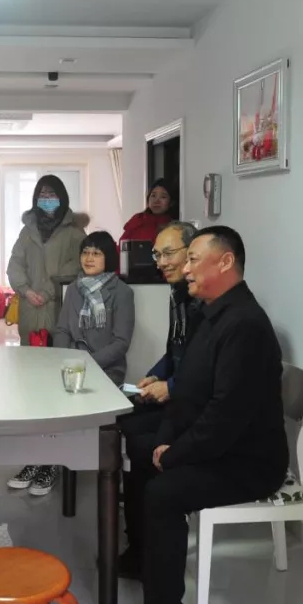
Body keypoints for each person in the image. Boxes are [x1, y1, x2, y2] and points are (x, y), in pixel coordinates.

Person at [129, 226, 289, 604]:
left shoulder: (245, 325)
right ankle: (143, 561)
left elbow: (224, 416)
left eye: (193, 260)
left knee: (163, 494)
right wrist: (166, 440)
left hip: (248, 461)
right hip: (219, 444)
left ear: (226, 261)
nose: (185, 269)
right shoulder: (210, 315)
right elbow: (188, 393)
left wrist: (175, 453)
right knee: (141, 450)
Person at [118, 220, 200, 576]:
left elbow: (205, 370)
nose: (162, 262)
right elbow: (175, 351)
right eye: (156, 255)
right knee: (125, 420)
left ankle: (146, 547)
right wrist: (155, 375)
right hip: (180, 396)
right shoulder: (177, 294)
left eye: (169, 253)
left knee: (141, 445)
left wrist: (172, 387)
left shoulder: (205, 302)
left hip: (193, 407)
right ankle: (136, 536)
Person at [6, 175, 88, 495]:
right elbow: (15, 266)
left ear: (62, 197)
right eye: (42, 193)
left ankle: (53, 462)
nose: (47, 198)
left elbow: (79, 267)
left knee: (57, 389)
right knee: (32, 391)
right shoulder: (27, 231)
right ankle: (34, 458)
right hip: (31, 315)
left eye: (52, 193)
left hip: (60, 313)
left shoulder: (75, 233)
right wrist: (26, 291)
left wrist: (50, 287)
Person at [52, 231, 135, 386]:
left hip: (107, 368)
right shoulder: (73, 289)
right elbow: (62, 330)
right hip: (71, 365)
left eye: (96, 253)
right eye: (85, 253)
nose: (89, 258)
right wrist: (65, 359)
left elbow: (121, 342)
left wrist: (87, 362)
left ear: (108, 257)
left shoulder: (122, 292)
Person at [119, 179, 178, 245]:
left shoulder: (175, 227)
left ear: (171, 202)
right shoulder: (137, 219)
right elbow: (122, 245)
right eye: (153, 196)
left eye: (163, 197)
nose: (156, 201)